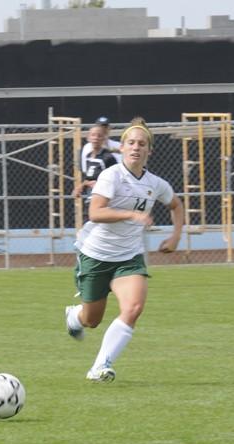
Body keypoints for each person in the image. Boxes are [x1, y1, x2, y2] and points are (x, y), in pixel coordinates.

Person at [64, 117, 183, 383]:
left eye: (142, 144)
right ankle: (74, 315)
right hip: (95, 255)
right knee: (91, 320)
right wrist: (131, 215)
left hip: (128, 258)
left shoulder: (156, 184)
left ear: (149, 151)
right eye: (130, 142)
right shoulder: (112, 175)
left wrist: (176, 236)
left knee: (134, 307)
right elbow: (95, 212)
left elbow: (176, 205)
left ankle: (100, 366)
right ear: (123, 147)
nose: (135, 147)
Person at [74, 123, 119, 220]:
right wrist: (81, 186)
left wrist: (99, 184)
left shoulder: (108, 158)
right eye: (93, 135)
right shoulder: (88, 156)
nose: (96, 138)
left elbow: (116, 179)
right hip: (89, 200)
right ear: (88, 137)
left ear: (104, 138)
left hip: (102, 203)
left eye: (99, 135)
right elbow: (89, 178)